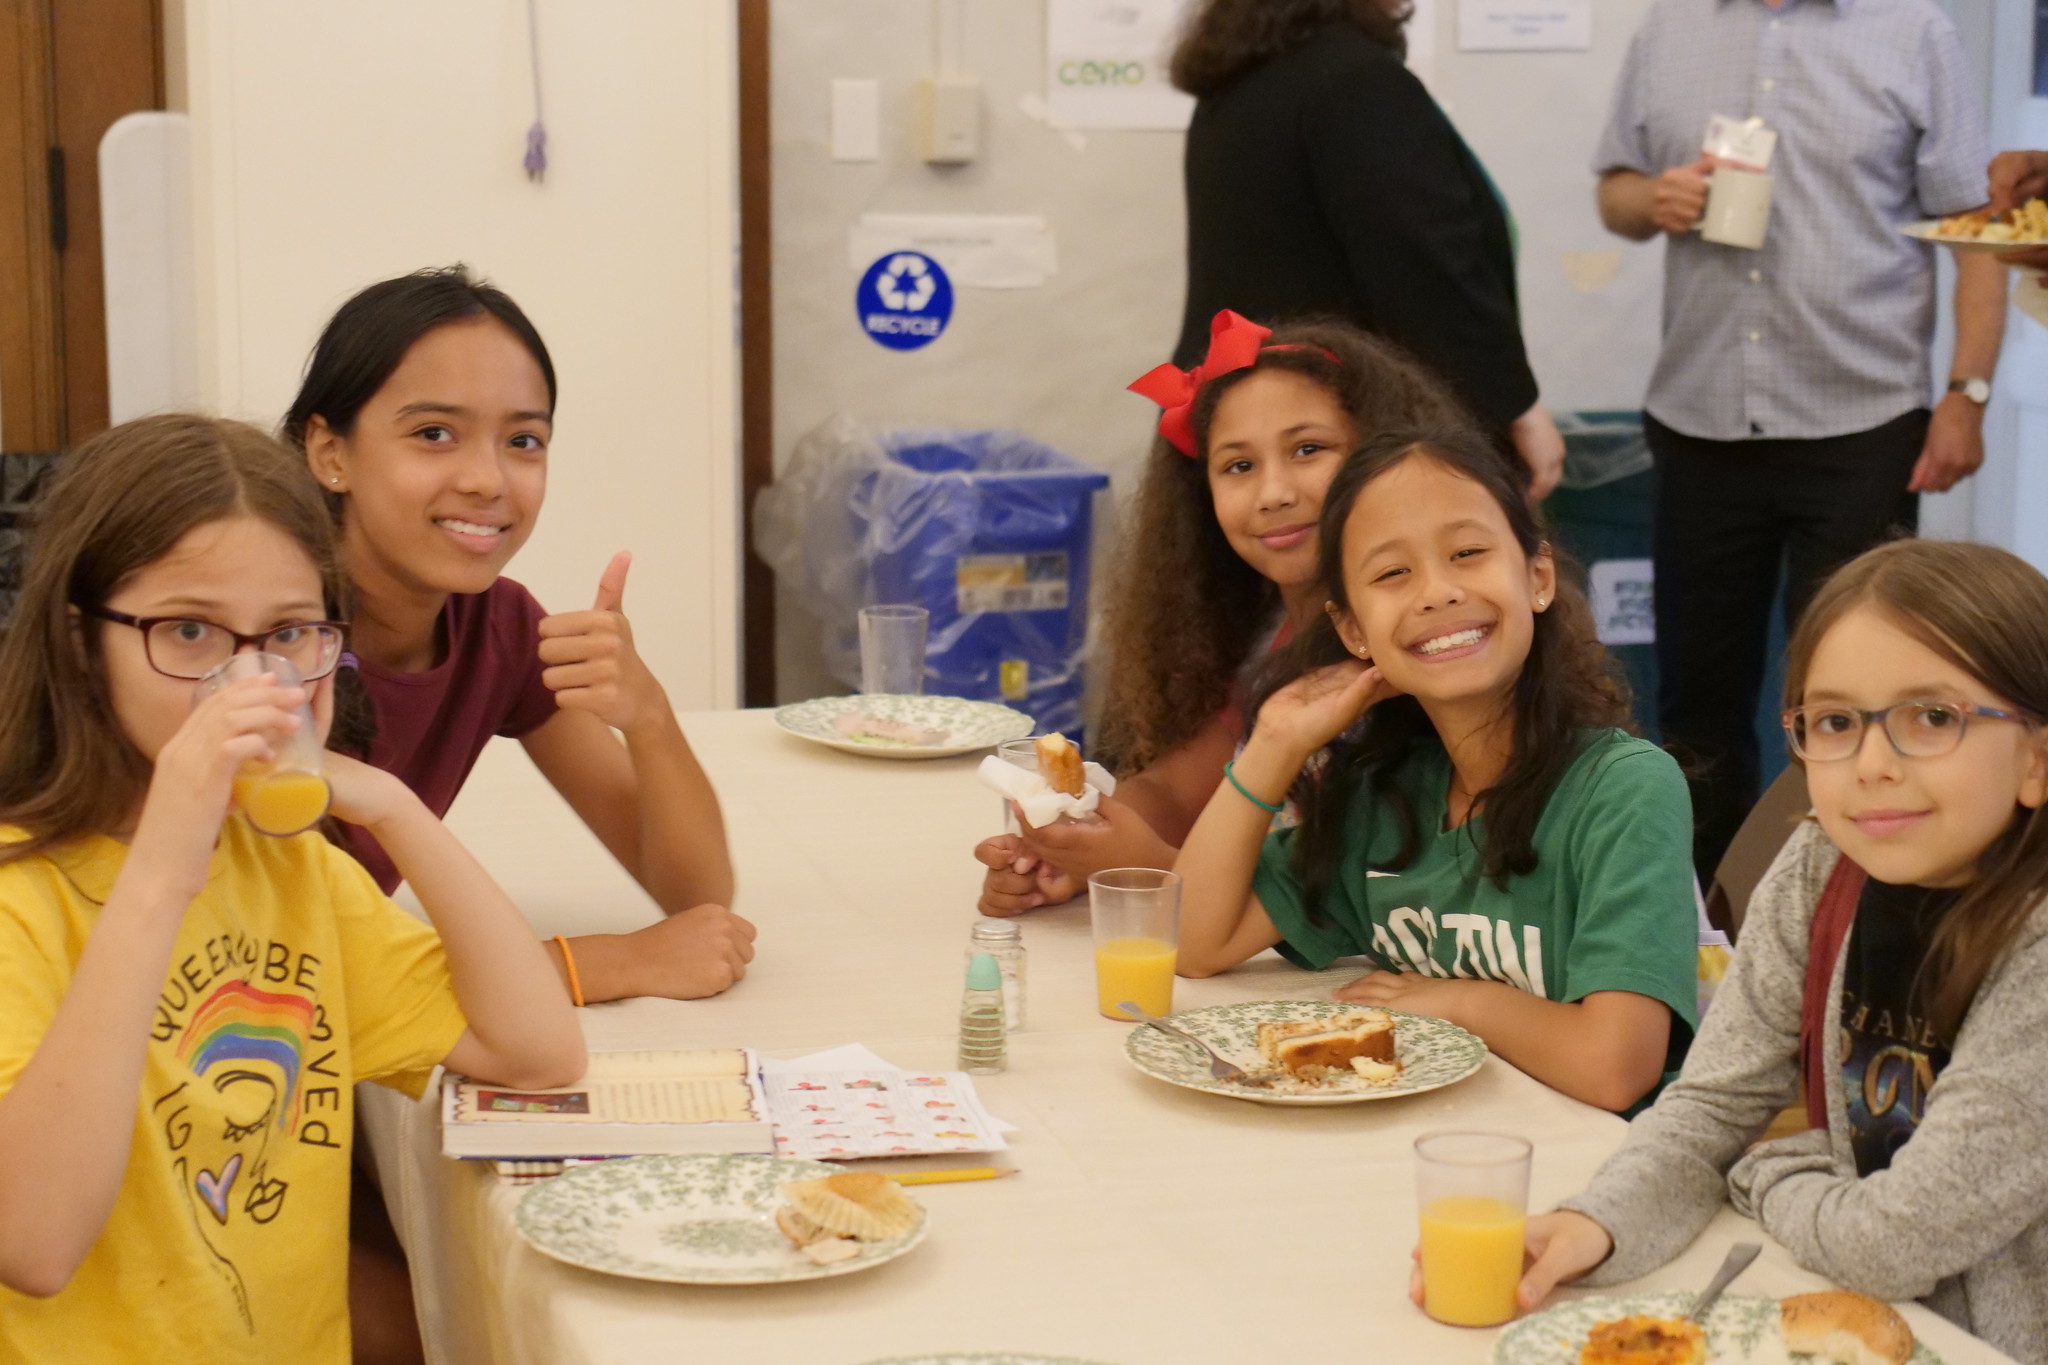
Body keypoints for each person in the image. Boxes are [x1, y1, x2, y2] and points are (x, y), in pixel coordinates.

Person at [0, 415, 585, 1361]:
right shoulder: (21, 893)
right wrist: (163, 858)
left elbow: (536, 1048)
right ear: (82, 642)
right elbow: (33, 1239)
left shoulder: (289, 867)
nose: (246, 678)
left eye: (289, 635)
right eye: (188, 631)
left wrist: (395, 806)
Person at [1504, 540, 2048, 1365]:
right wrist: (1598, 1221)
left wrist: (1769, 1173)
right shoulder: (1824, 861)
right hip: (1860, 1320)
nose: (1872, 765)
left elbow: (1900, 1238)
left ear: (2038, 757)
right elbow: (1712, 1108)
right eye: (1835, 721)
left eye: (1932, 717)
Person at [1593, 0, 2008, 882]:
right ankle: (1704, 926)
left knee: (1864, 697)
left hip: (1860, 421)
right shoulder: (1670, 30)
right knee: (1697, 706)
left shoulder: (1913, 32)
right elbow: (1614, 191)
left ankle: (1845, 908)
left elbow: (1977, 238)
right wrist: (1651, 196)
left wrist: (1966, 395)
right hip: (1700, 417)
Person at [1173, 428, 1699, 1113]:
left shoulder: (1626, 789)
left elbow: (1616, 1068)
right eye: (1392, 573)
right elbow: (1187, 940)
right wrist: (1275, 741)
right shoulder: (1381, 795)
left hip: (1587, 1176)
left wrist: (1455, 1000)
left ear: (1537, 578)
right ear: (1354, 630)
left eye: (1468, 553)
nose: (1437, 591)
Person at [283, 267, 753, 1005]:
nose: (487, 479)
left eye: (523, 440)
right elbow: (274, 956)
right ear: (329, 452)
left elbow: (695, 895)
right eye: (434, 434)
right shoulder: (260, 635)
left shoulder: (497, 627)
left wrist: (649, 715)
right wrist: (600, 965)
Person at [973, 311, 1471, 915]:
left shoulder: (1428, 644)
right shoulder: (1273, 634)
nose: (1274, 493)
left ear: (1388, 454)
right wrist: (1081, 841)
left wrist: (1148, 867)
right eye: (1239, 465)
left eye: (1308, 449)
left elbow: (1349, 902)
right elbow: (1177, 793)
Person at [1167, 0, 1565, 498]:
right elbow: (1427, 269)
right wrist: (1513, 407)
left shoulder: (1235, 85)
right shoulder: (1355, 81)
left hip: (1243, 428)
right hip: (1332, 437)